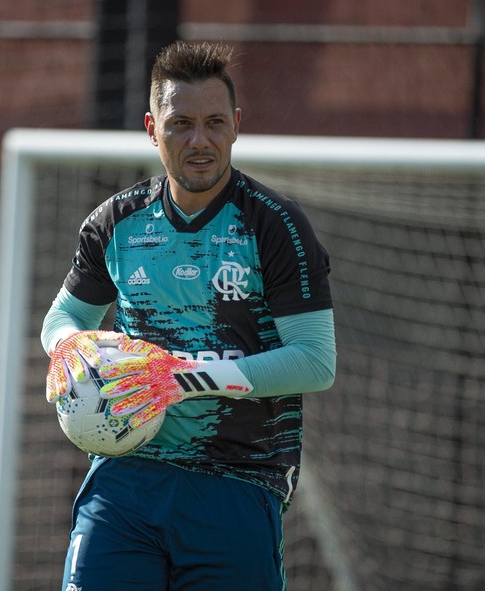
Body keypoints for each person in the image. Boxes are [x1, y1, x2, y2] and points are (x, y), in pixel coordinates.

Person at [41, 40, 337, 591]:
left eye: (214, 122)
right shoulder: (116, 223)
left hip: (239, 479)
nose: (199, 140)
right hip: (125, 475)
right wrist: (67, 347)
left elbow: (316, 362)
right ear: (152, 129)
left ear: (236, 125)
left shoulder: (275, 227)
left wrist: (179, 380)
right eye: (181, 124)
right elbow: (63, 318)